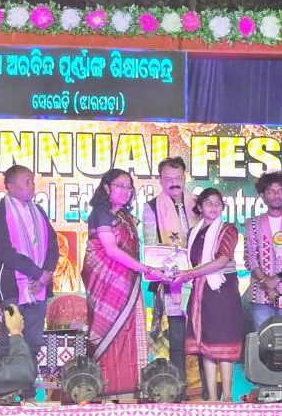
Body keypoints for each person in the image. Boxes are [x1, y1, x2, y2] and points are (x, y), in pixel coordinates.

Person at [81, 169, 163, 397]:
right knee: (108, 331)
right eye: (120, 186)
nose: (126, 191)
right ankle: (108, 389)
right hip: (107, 286)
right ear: (107, 187)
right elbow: (111, 250)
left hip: (129, 283)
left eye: (129, 187)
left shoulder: (126, 217)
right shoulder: (101, 213)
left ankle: (130, 388)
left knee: (130, 331)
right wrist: (148, 269)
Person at [0, 165, 59, 397]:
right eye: (27, 181)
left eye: (32, 181)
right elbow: (3, 252)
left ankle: (27, 391)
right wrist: (36, 273)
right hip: (12, 287)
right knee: (11, 339)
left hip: (39, 288)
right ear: (10, 186)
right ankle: (6, 391)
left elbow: (53, 244)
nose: (32, 185)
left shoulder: (38, 211)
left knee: (34, 341)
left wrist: (46, 274)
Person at [174, 188, 243, 402]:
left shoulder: (228, 230)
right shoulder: (193, 232)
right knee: (206, 345)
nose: (213, 207)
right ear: (200, 207)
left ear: (222, 207)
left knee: (223, 344)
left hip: (222, 292)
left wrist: (189, 274)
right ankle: (213, 398)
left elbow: (222, 260)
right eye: (208, 203)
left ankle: (228, 398)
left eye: (217, 203)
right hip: (199, 292)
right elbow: (187, 260)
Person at [142, 157, 198, 384]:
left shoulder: (198, 204)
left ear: (185, 177)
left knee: (200, 337)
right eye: (168, 178)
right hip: (171, 283)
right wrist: (169, 271)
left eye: (178, 177)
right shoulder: (151, 208)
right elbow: (150, 246)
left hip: (200, 280)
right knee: (176, 338)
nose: (174, 182)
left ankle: (204, 392)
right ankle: (178, 389)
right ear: (160, 180)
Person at [244, 171, 282, 330]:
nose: (276, 195)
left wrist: (277, 278)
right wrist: (267, 285)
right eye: (271, 191)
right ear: (262, 195)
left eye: (280, 191)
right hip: (260, 293)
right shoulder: (252, 224)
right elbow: (250, 258)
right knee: (263, 337)